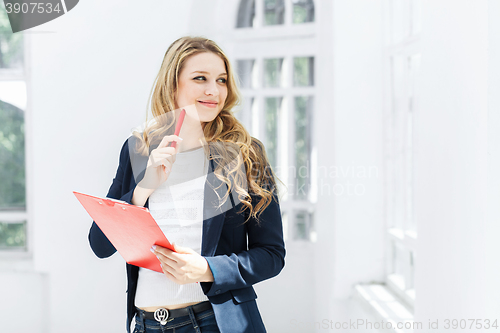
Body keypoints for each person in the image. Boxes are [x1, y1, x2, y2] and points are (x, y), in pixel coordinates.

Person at [88, 36, 286, 333]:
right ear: (173, 84)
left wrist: (207, 269)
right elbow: (99, 245)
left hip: (213, 322)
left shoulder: (245, 153)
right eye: (200, 78)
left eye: (221, 80)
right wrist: (144, 189)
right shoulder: (138, 149)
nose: (214, 90)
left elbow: (271, 254)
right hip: (146, 324)